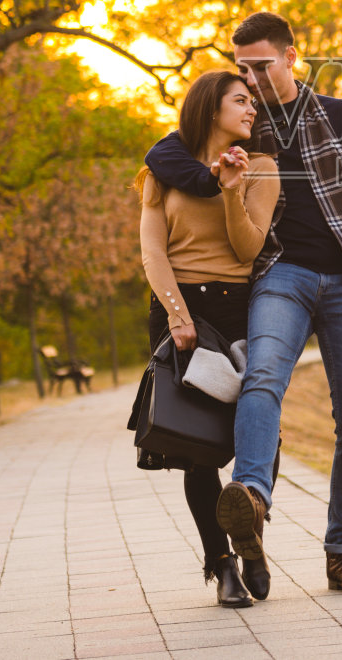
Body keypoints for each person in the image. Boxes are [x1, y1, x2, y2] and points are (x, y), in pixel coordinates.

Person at [144, 11, 342, 595]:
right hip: (278, 275)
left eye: (262, 65)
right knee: (262, 381)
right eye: (243, 69)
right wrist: (215, 179)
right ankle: (252, 498)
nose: (253, 79)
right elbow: (167, 153)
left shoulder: (341, 117)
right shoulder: (248, 126)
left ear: (291, 57)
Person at [137, 70, 279, 606]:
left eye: (253, 104)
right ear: (210, 107)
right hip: (178, 311)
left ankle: (251, 540)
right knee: (197, 446)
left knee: (258, 434)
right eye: (240, 101)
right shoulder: (162, 173)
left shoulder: (262, 168)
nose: (251, 111)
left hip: (239, 310)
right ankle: (222, 568)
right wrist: (177, 316)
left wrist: (231, 191)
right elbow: (153, 252)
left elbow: (247, 250)